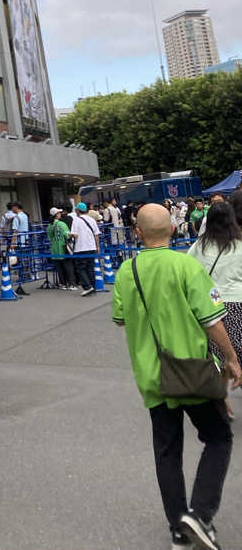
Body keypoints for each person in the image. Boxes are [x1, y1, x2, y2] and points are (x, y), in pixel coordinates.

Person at [113, 203, 241, 550]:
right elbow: (212, 319)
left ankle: (178, 530)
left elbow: (121, 317)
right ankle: (198, 515)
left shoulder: (127, 270)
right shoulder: (187, 265)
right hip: (193, 373)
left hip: (153, 378)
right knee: (218, 438)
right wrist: (231, 359)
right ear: (173, 229)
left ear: (137, 232)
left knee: (167, 452)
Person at [188, 202, 242, 418]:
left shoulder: (198, 246)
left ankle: (222, 400)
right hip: (238, 306)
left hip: (209, 309)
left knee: (219, 359)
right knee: (236, 355)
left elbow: (188, 273)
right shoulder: (239, 245)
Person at [70, 201, 100, 296]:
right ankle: (93, 287)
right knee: (90, 268)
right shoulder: (92, 220)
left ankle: (87, 287)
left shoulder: (76, 220)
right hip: (91, 247)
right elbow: (96, 235)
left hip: (81, 248)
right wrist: (97, 246)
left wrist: (69, 234)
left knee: (81, 268)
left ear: (78, 210)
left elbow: (75, 235)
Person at [47, 209, 76, 290]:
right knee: (68, 266)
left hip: (54, 249)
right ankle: (71, 284)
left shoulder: (49, 225)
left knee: (59, 268)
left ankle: (62, 284)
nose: (60, 214)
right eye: (59, 213)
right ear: (56, 215)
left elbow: (49, 237)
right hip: (63, 248)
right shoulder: (61, 224)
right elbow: (67, 235)